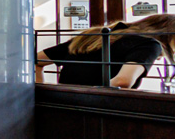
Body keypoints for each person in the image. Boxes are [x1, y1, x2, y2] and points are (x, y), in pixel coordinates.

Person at [36, 13, 175, 88]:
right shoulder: (150, 44)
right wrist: (96, 96)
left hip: (63, 108)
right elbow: (123, 81)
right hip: (98, 114)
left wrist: (40, 93)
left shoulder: (93, 36)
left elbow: (36, 60)